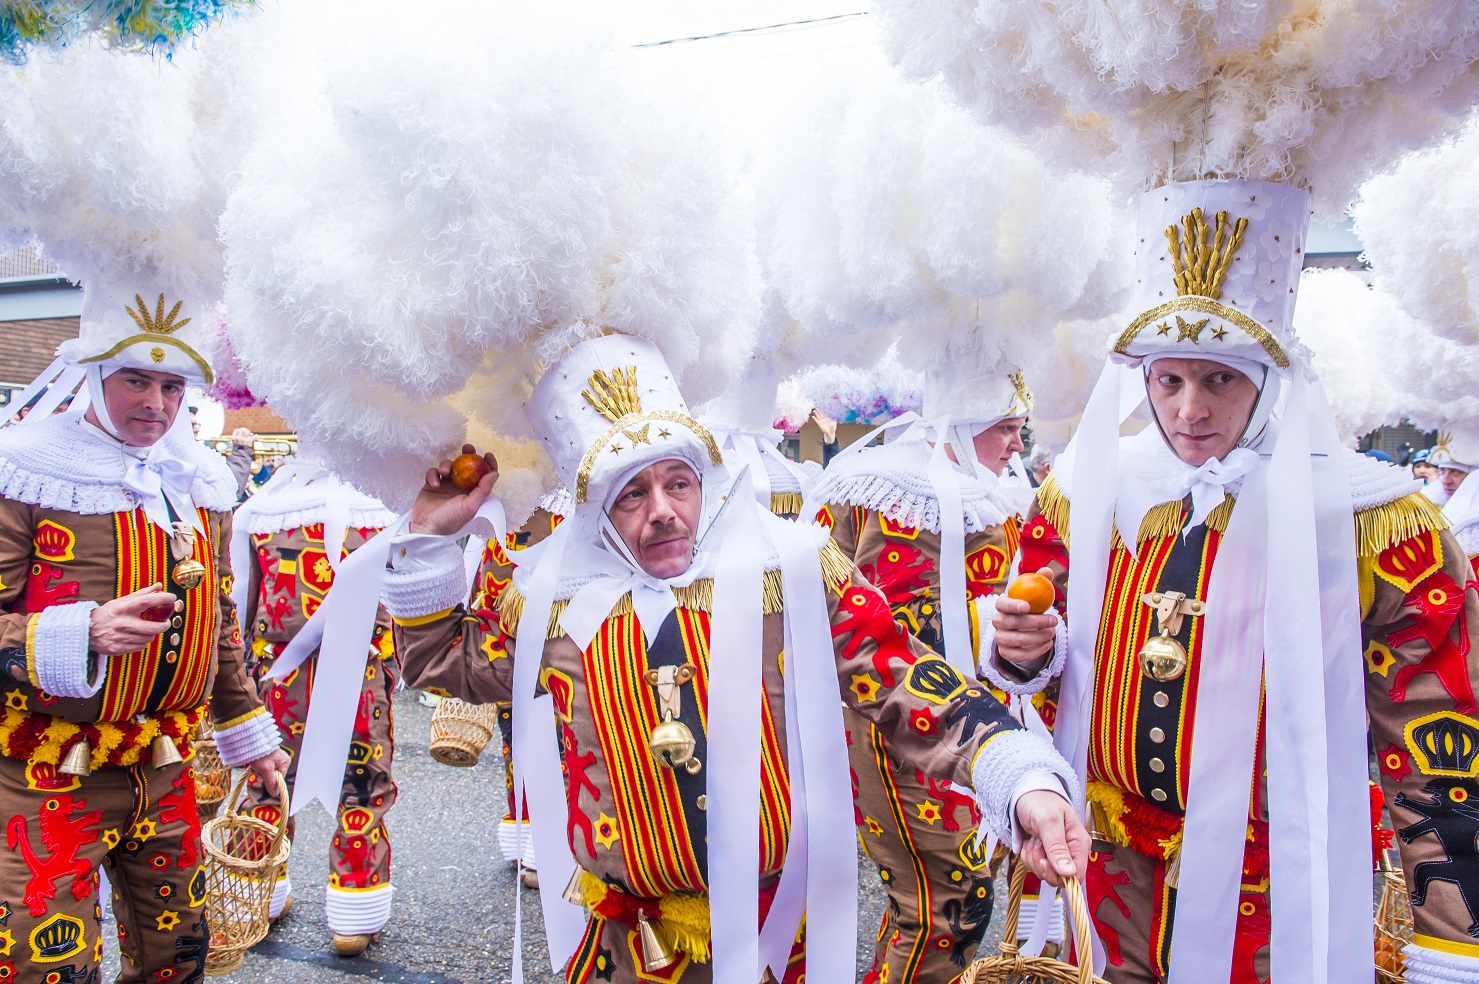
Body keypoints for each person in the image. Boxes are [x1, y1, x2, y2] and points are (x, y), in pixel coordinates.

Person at [383, 335, 1088, 983]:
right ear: (594, 509)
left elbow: (909, 683)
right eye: (632, 493)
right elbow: (439, 660)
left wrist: (1019, 778)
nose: (663, 510)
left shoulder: (788, 581)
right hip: (631, 949)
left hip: (777, 940)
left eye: (678, 482)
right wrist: (427, 539)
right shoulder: (561, 609)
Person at [990, 180, 1479, 983]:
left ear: (1269, 379)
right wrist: (1022, 650)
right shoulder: (1086, 494)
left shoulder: (1371, 522)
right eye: (1167, 379)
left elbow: (1438, 737)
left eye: (1218, 379)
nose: (1187, 411)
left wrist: (1450, 932)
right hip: (1107, 850)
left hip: (1273, 864)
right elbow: (1036, 654)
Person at [0, 285, 287, 983]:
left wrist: (252, 739)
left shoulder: (196, 482)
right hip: (46, 774)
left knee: (177, 959)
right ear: (94, 374)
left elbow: (217, 629)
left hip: (165, 770)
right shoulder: (25, 468)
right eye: (135, 379)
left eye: (171, 385)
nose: (155, 404)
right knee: (47, 966)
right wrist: (77, 634)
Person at [809, 368, 1035, 983]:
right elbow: (889, 628)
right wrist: (1002, 624)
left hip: (957, 719)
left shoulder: (962, 481)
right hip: (909, 727)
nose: (1017, 445)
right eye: (1007, 429)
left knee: (932, 904)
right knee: (947, 907)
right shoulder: (907, 495)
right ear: (961, 426)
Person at [229, 457, 400, 956]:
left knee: (268, 780)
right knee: (364, 786)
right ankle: (354, 905)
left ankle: (258, 892)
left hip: (277, 674)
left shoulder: (260, 511)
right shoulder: (385, 509)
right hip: (361, 677)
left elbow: (241, 604)